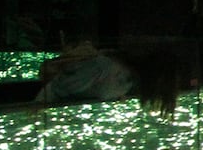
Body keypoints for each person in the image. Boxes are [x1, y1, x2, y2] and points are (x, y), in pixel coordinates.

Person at [33, 42, 179, 116]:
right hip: (48, 114)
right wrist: (36, 112)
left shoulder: (128, 80)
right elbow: (58, 87)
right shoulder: (103, 67)